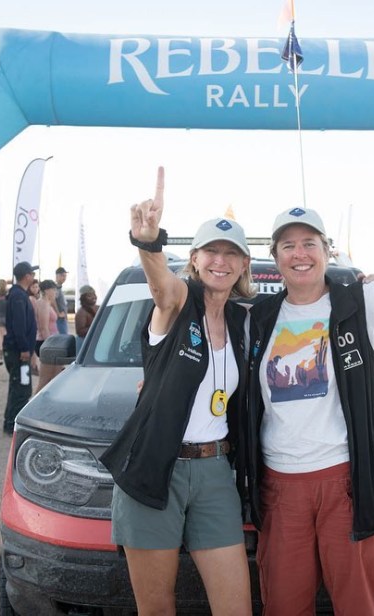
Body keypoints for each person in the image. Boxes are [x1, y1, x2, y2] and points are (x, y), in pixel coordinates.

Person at [243, 162, 374, 615]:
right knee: (283, 606)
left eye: (309, 243)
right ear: (276, 259)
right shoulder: (257, 318)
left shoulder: (364, 302)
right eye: (288, 246)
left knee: (359, 605)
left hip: (352, 483)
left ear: (327, 250)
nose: (300, 253)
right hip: (280, 490)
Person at [100, 167, 254, 616]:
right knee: (157, 609)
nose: (220, 261)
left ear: (244, 264)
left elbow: (304, 306)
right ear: (194, 258)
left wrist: (351, 286)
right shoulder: (177, 303)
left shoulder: (247, 322)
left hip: (214, 473)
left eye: (231, 254)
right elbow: (159, 286)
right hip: (153, 471)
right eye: (211, 252)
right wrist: (149, 243)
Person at [3, 261, 39, 436]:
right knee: (21, 388)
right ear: (26, 276)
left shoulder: (18, 294)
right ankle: (12, 425)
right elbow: (19, 325)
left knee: (18, 386)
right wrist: (25, 349)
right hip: (19, 352)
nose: (33, 277)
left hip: (18, 351)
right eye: (32, 274)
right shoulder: (18, 296)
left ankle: (10, 422)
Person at [34, 279, 60, 394]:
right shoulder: (43, 304)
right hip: (47, 343)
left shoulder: (47, 303)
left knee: (55, 377)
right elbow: (43, 328)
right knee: (45, 379)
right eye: (53, 290)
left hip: (51, 343)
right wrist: (50, 346)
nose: (55, 292)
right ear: (46, 290)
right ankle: (33, 406)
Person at [74, 284, 98, 355]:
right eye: (89, 295)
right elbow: (80, 331)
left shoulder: (99, 308)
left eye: (94, 294)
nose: (93, 297)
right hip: (84, 342)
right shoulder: (81, 313)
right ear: (83, 298)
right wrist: (96, 328)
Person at [54, 267, 70, 335]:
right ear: (57, 276)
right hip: (59, 319)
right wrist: (58, 313)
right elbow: (52, 300)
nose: (64, 278)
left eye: (65, 276)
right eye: (63, 275)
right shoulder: (56, 287)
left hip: (62, 319)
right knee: (62, 340)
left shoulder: (59, 287)